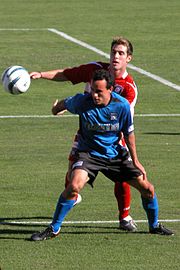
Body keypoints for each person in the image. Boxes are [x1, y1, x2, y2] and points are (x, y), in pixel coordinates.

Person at [31, 69, 173, 241]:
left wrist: (136, 160)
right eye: (92, 90)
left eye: (99, 92)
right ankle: (53, 228)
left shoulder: (122, 106)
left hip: (115, 155)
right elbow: (63, 104)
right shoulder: (82, 102)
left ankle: (154, 225)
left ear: (110, 89)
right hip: (88, 154)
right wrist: (55, 109)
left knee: (148, 189)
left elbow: (129, 134)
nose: (94, 95)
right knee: (74, 186)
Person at [30, 37, 138, 231]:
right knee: (72, 176)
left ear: (128, 58)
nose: (116, 56)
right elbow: (67, 74)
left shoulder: (129, 88)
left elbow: (123, 120)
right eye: (113, 52)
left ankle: (124, 216)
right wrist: (41, 74)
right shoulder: (95, 70)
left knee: (123, 177)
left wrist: (75, 107)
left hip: (114, 138)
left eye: (121, 53)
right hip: (87, 134)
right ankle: (72, 199)